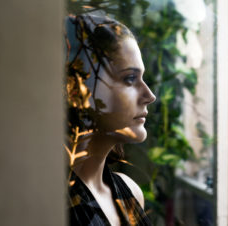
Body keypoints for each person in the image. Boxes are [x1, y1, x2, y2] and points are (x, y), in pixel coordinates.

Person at [65, 14, 156, 226]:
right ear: (80, 91)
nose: (149, 96)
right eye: (130, 79)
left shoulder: (131, 193)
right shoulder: (48, 206)